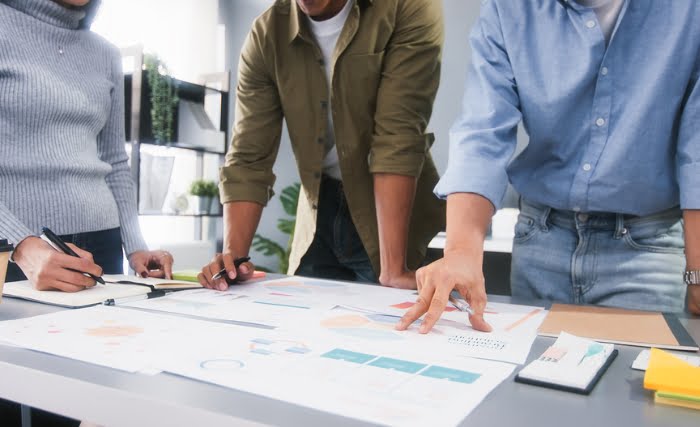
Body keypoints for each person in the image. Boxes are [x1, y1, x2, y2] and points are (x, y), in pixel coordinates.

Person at [397, 0, 700, 334]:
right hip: (542, 238)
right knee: (531, 377)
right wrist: (460, 252)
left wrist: (697, 272)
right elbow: (483, 132)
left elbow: (697, 150)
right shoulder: (508, 7)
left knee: (632, 381)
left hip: (647, 249)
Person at [198, 0, 445, 290]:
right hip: (318, 214)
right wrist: (233, 261)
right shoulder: (266, 35)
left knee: (391, 326)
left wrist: (393, 269)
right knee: (300, 329)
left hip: (392, 217)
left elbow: (397, 138)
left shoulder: (409, 7)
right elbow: (249, 156)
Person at [0, 0, 175, 294]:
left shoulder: (105, 53)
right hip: (13, 253)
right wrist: (19, 244)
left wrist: (135, 247)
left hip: (103, 248)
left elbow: (115, 162)